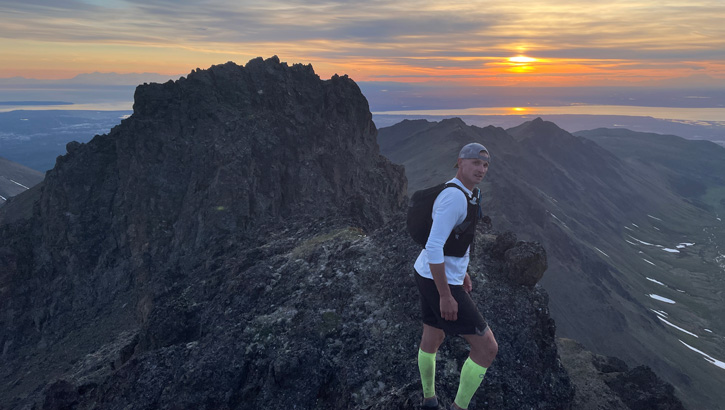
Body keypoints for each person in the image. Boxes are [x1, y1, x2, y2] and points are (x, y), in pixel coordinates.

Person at [414, 143, 498, 410]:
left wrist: (463, 273)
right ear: (460, 162)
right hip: (437, 281)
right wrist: (446, 295)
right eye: (475, 163)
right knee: (487, 349)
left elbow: (455, 241)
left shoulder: (467, 194)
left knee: (433, 337)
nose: (481, 169)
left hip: (428, 273)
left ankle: (429, 400)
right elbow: (434, 246)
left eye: (485, 165)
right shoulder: (455, 198)